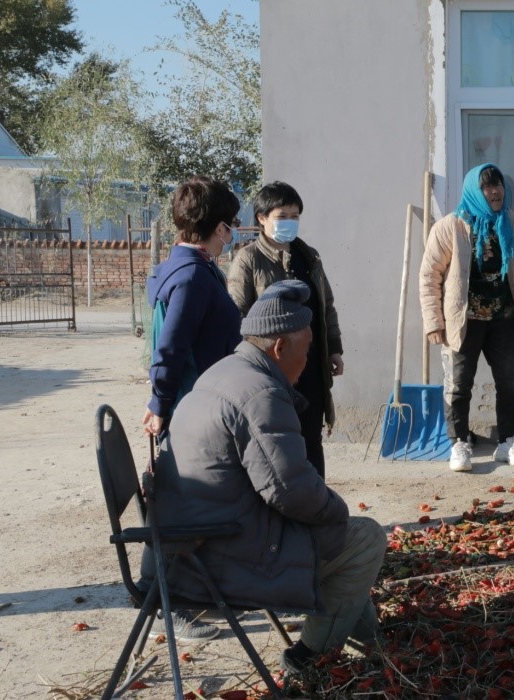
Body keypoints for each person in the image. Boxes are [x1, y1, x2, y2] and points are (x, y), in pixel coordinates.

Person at [156, 280, 387, 673]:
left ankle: (371, 643)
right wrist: (337, 511)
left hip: (185, 550)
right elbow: (291, 491)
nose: (308, 361)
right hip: (215, 562)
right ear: (280, 347)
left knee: (340, 535)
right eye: (306, 350)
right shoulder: (260, 393)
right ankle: (308, 659)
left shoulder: (223, 372)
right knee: (364, 538)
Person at [419, 163, 514, 472]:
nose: (495, 191)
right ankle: (459, 443)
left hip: (504, 319)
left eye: (498, 185)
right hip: (463, 322)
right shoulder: (450, 227)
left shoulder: (510, 223)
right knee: (458, 384)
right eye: (487, 187)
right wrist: (434, 322)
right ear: (475, 191)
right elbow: (429, 276)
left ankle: (508, 441)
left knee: (511, 382)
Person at [228, 181, 343, 478]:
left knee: (311, 439)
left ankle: (317, 499)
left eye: (295, 216)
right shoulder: (248, 259)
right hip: (272, 369)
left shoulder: (309, 257)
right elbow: (238, 314)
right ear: (262, 218)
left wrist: (334, 348)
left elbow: (326, 306)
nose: (289, 222)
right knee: (277, 442)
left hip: (311, 364)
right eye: (282, 216)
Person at [143, 176, 242, 438]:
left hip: (206, 399)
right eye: (232, 225)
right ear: (219, 228)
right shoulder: (192, 277)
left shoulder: (194, 268)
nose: (231, 234)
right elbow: (171, 347)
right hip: (197, 408)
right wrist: (160, 403)